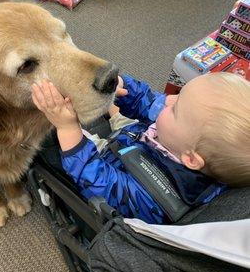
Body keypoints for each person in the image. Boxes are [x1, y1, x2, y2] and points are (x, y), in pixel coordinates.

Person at [31, 72, 250, 224]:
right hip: (138, 139)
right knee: (127, 110)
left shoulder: (154, 199)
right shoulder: (185, 137)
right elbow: (152, 103)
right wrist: (122, 86)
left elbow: (96, 180)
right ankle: (115, 115)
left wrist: (68, 127)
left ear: (191, 159)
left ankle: (93, 128)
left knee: (58, 131)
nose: (170, 101)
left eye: (177, 109)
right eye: (179, 95)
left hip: (111, 167)